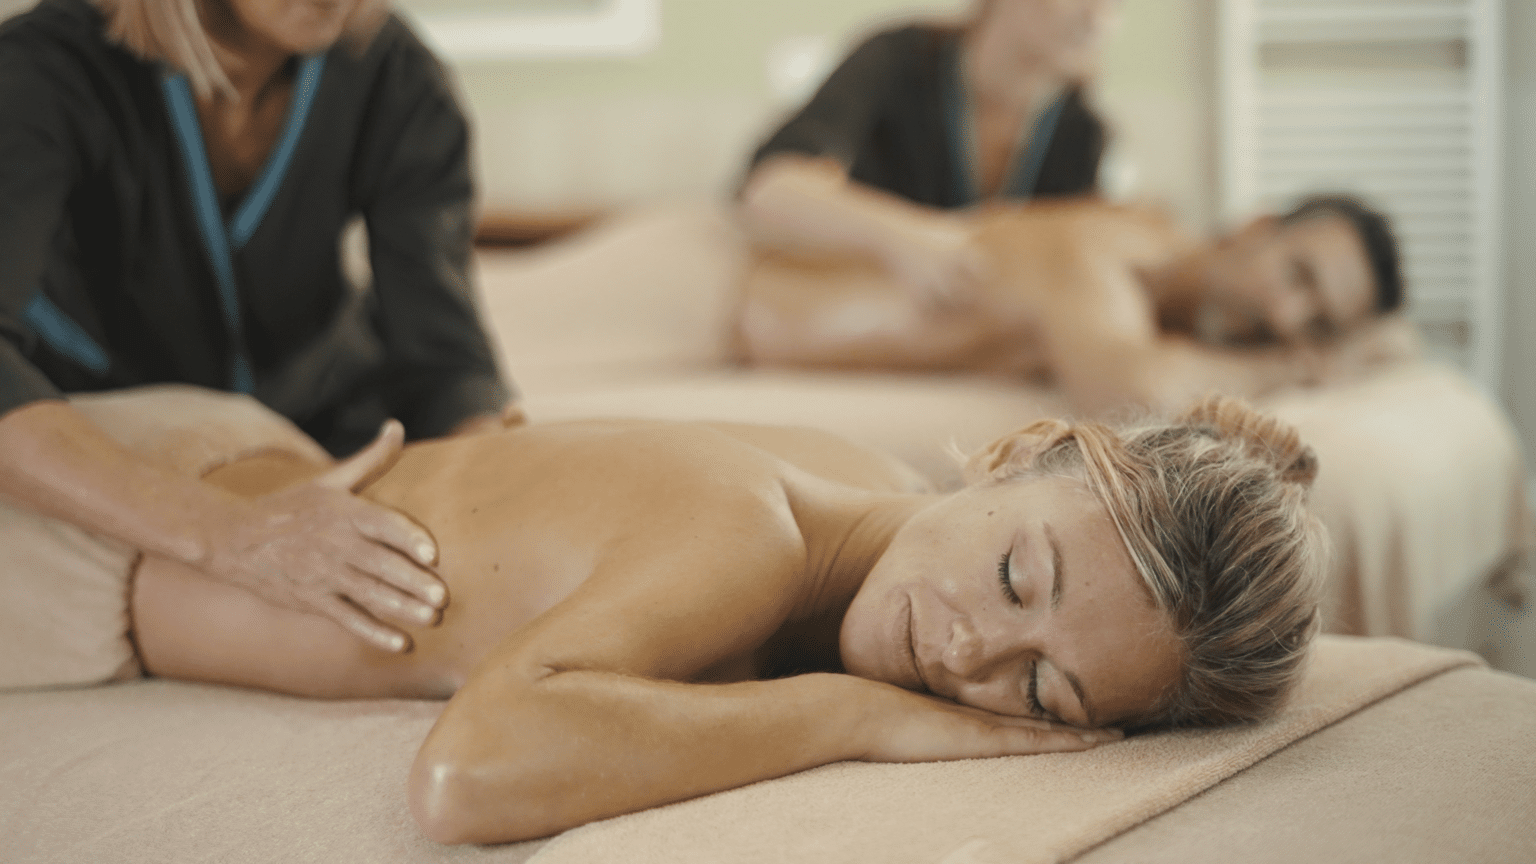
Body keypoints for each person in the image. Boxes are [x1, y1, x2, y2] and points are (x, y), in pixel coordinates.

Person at [129, 396, 1326, 844]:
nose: (969, 651)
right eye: (1016, 579)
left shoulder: (861, 488)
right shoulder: (747, 532)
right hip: (120, 528)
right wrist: (850, 719)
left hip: (243, 445)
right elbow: (464, 781)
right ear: (1016, 453)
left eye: (1040, 691)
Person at [0, 0, 521, 655]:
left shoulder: (392, 71)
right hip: (104, 432)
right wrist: (230, 533)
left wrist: (497, 479)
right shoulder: (40, 73)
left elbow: (442, 354)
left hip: (325, 418)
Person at [736, 194, 1416, 417]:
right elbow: (1134, 397)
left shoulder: (1155, 291)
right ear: (1254, 228)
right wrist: (1297, 365)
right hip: (720, 295)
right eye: (1297, 275)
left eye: (1318, 324)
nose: (1288, 318)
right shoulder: (1108, 252)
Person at [739, 0, 1118, 310]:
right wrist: (904, 240)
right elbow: (773, 191)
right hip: (855, 301)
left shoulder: (1081, 130)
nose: (1096, 16)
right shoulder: (896, 60)